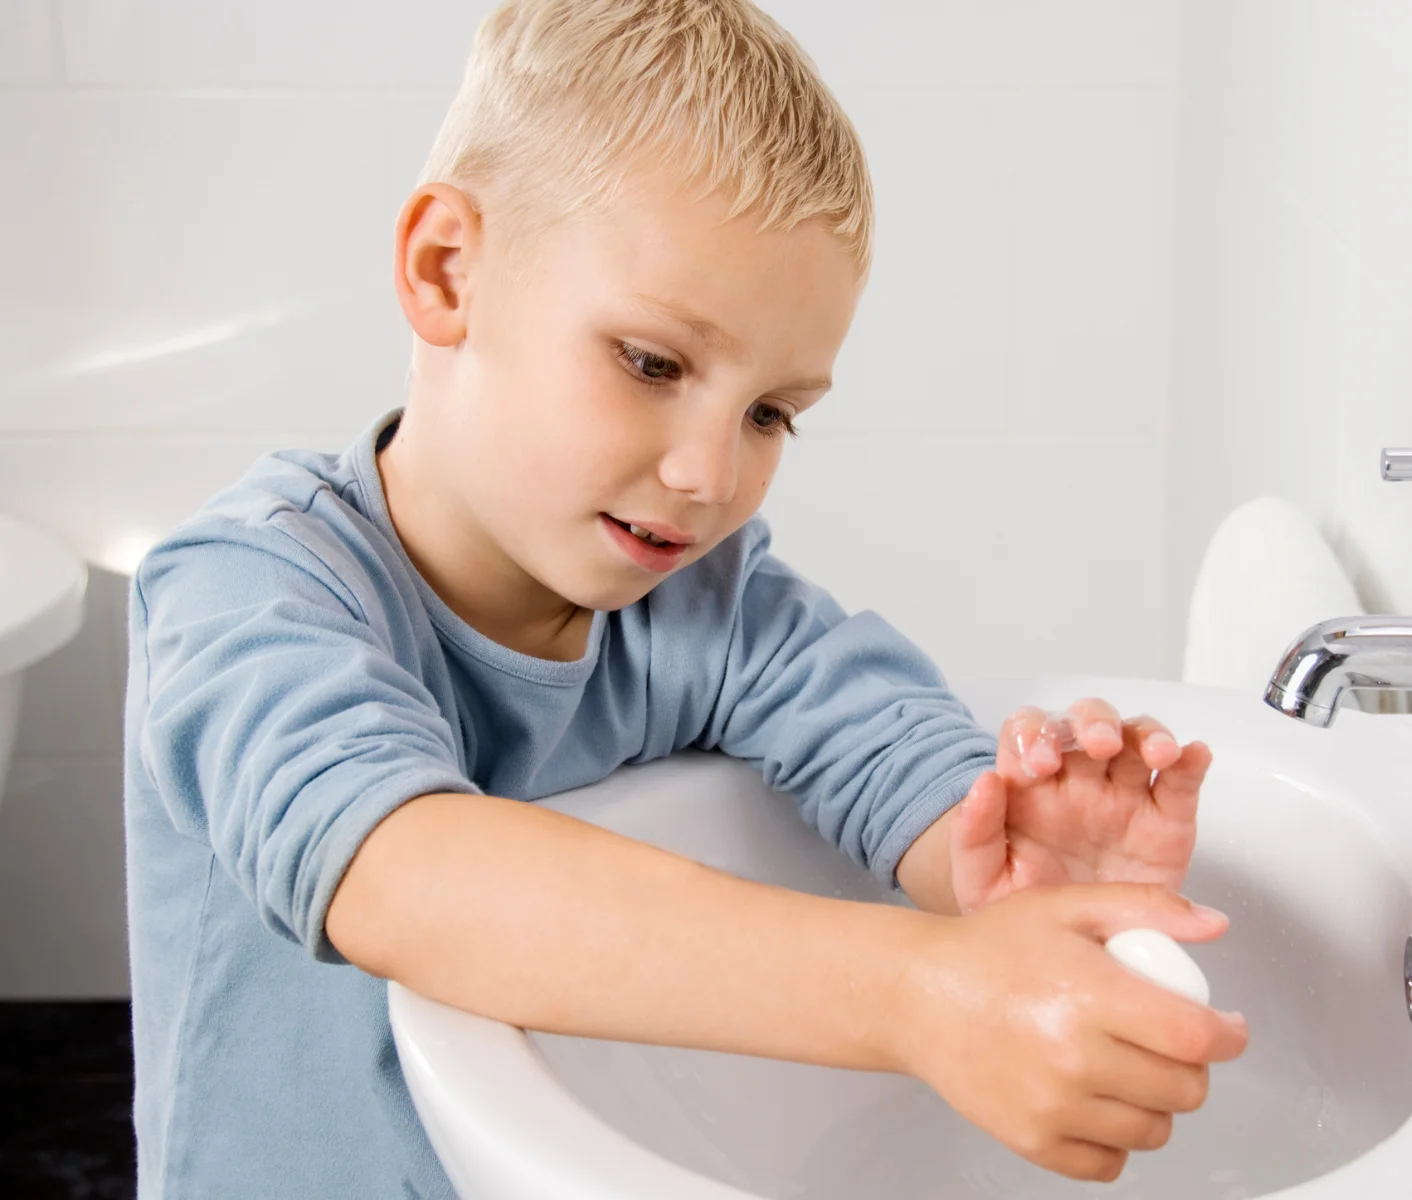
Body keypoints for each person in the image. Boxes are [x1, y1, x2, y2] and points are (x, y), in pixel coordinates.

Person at [121, 2, 1248, 1195]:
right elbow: (409, 877)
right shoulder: (249, 591)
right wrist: (923, 992)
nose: (712, 478)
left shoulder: (703, 605)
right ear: (447, 271)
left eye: (771, 414)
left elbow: (881, 737)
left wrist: (999, 869)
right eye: (653, 364)